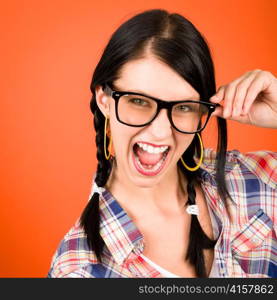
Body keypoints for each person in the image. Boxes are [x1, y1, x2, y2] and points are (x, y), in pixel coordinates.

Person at [47, 9, 277, 278]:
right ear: (104, 100)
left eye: (183, 107)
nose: (159, 132)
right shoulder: (78, 271)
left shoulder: (254, 181)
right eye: (139, 101)